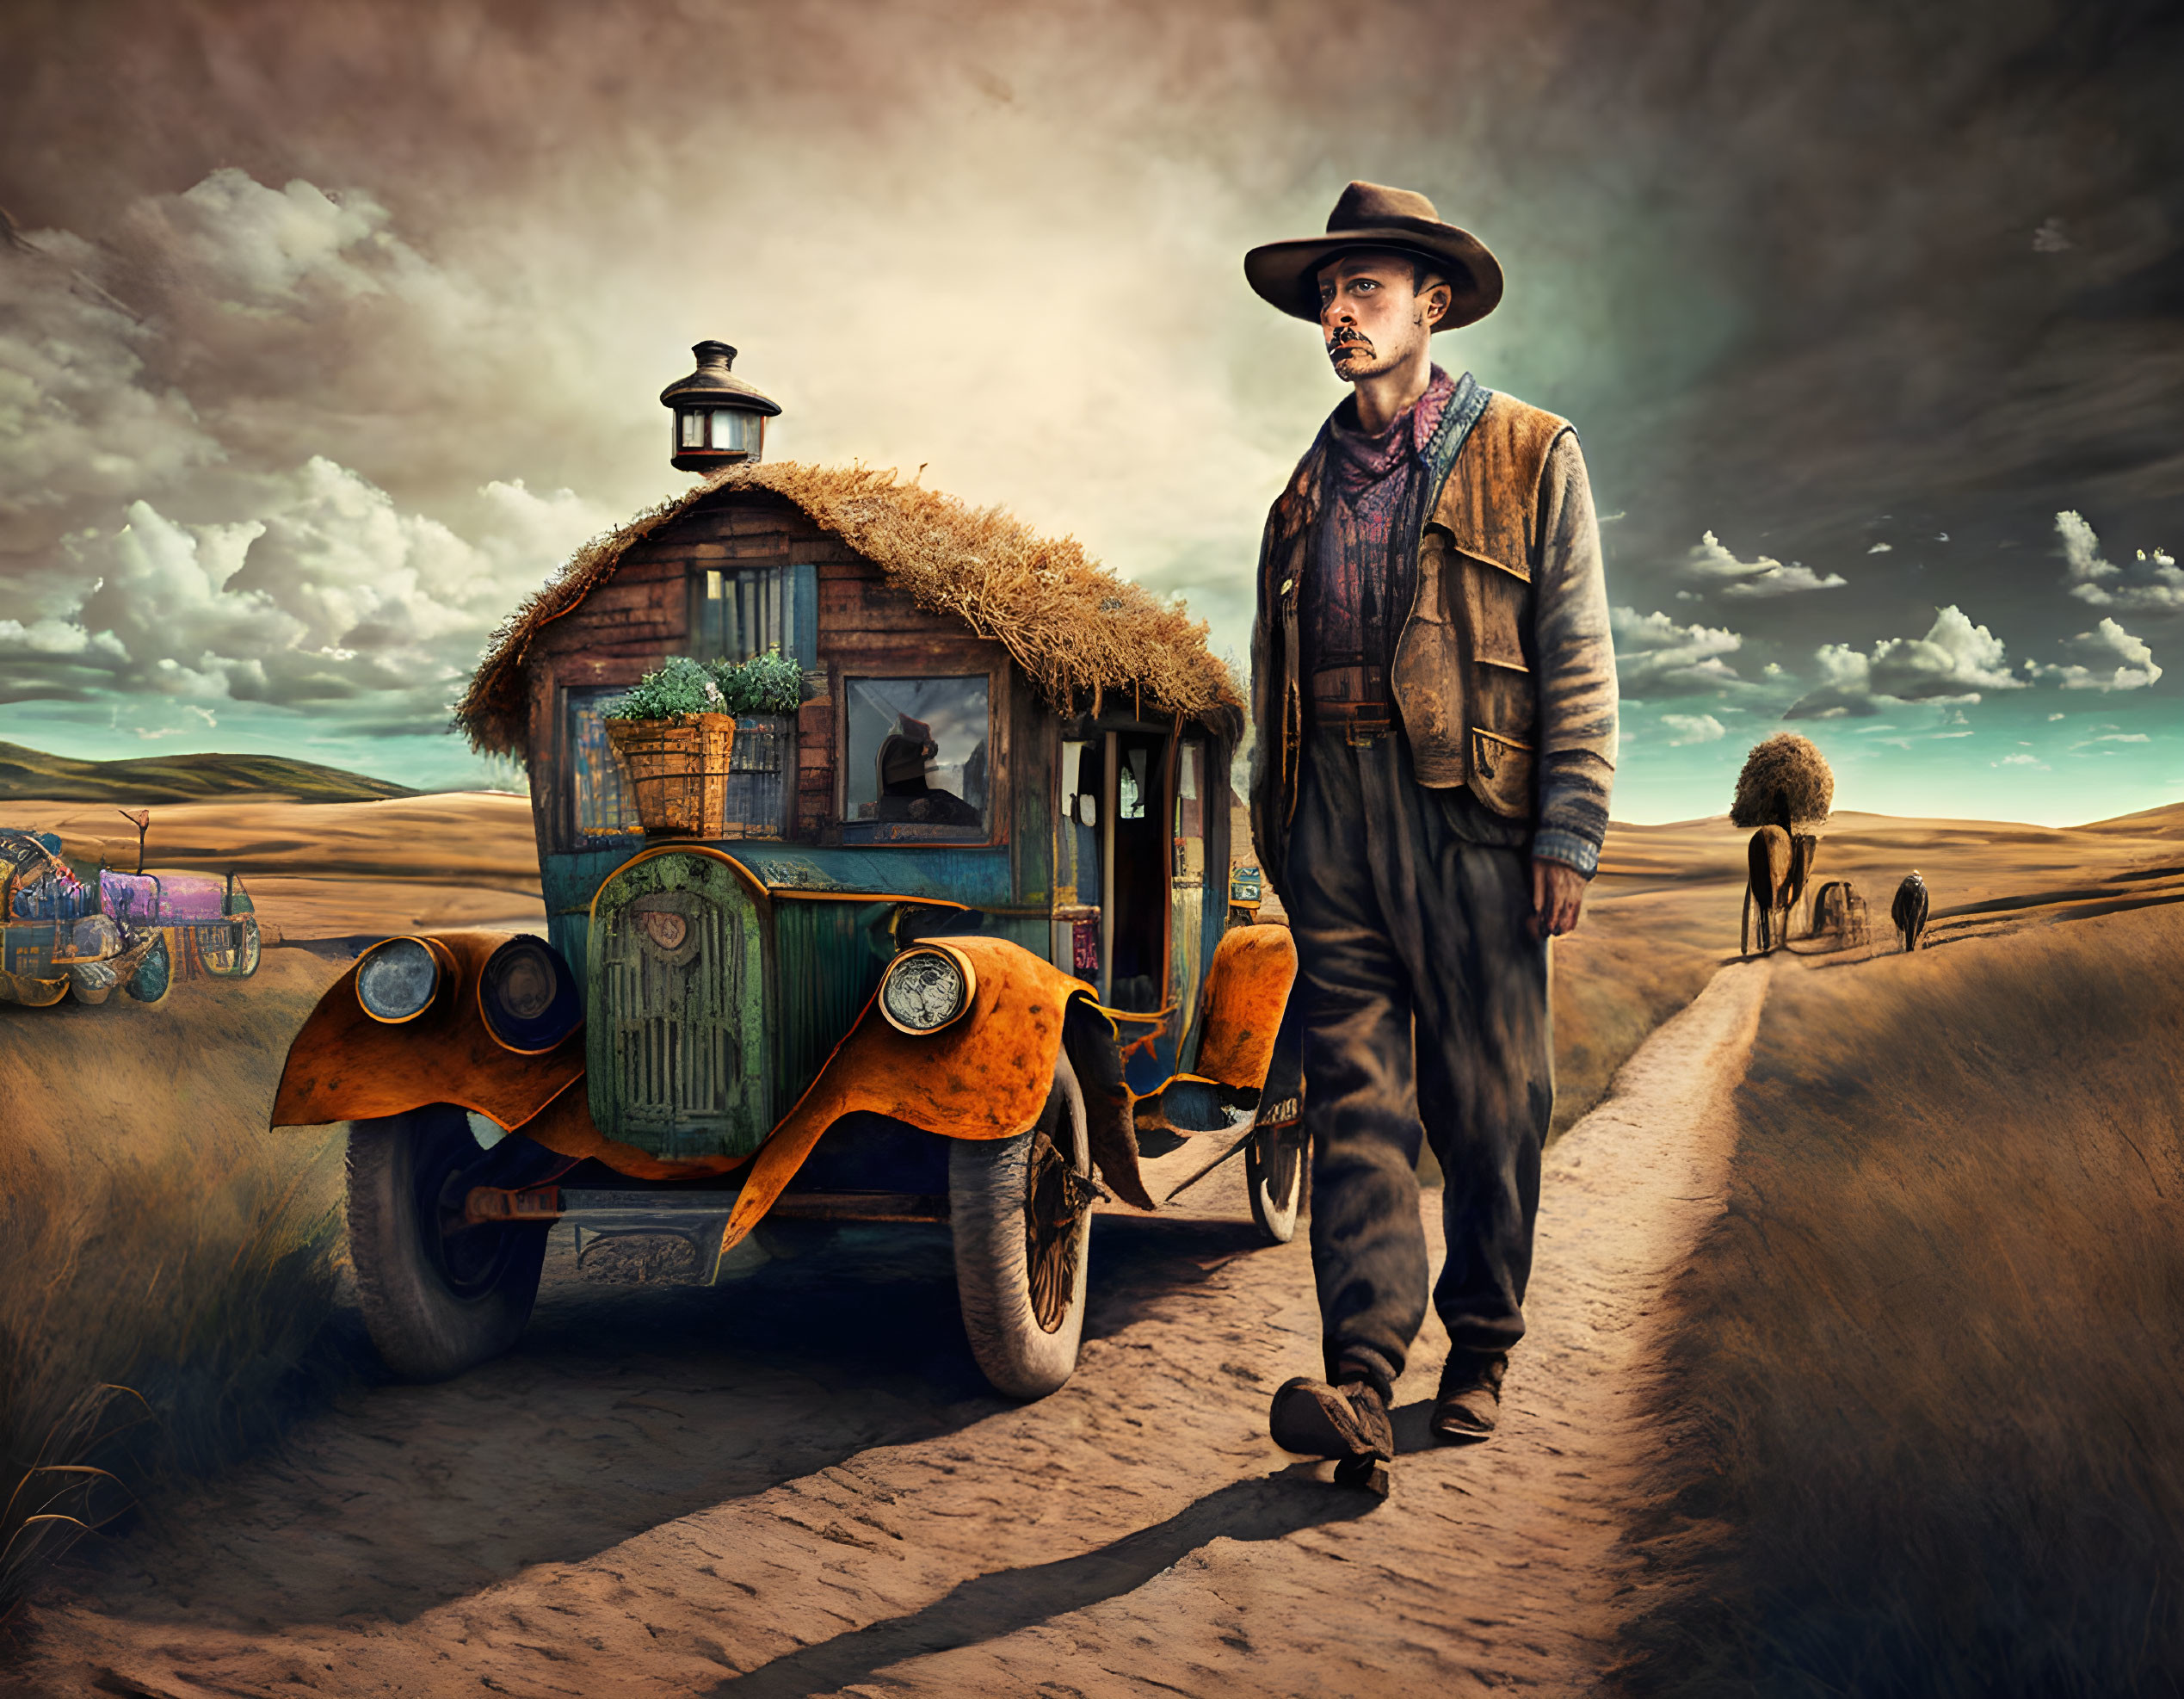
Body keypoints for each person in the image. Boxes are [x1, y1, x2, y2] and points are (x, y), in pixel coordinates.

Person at [1242, 182, 1618, 1483]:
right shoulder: (1299, 494)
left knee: (1490, 1103)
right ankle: (1358, 1374)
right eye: (1324, 297)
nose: (1336, 315)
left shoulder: (1529, 451)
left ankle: (1482, 1343)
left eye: (1363, 291)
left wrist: (1566, 828)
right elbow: (1269, 677)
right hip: (1329, 822)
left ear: (1430, 304)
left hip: (1472, 815)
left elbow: (1575, 650)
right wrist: (1277, 829)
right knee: (1355, 1103)